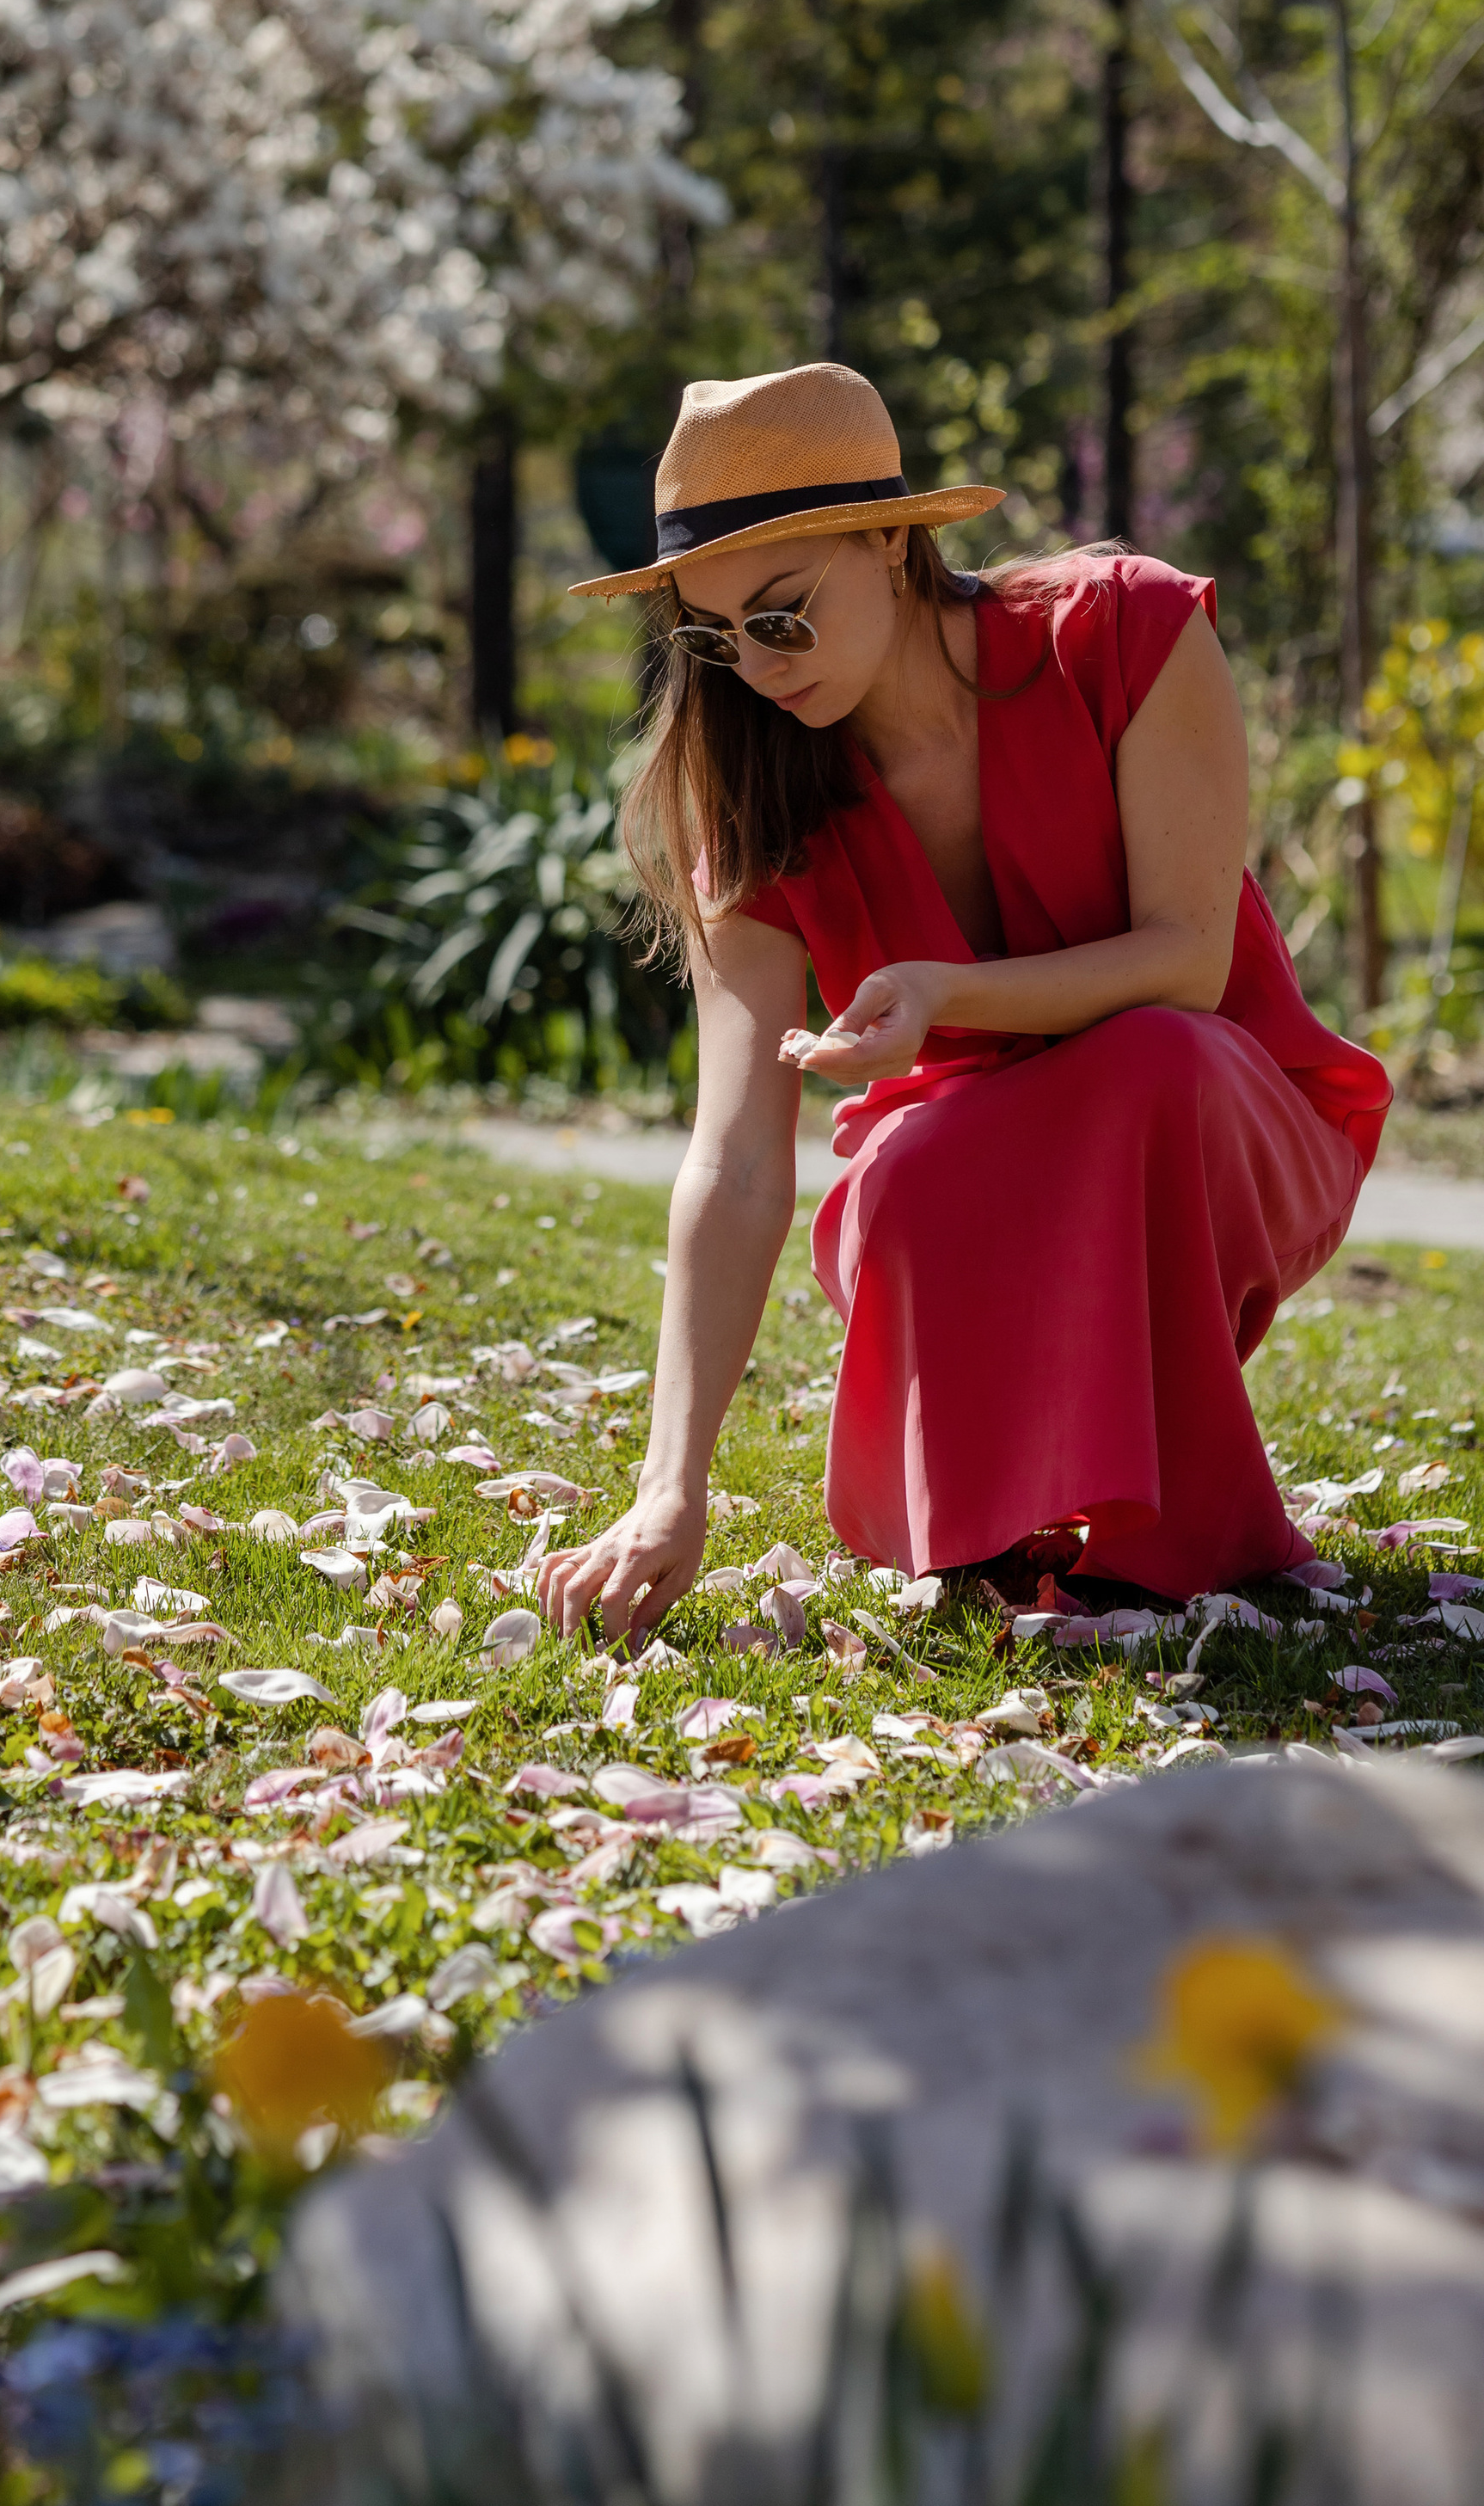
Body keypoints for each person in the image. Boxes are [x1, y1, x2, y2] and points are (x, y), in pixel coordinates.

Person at [534, 361, 1391, 1652]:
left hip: (1224, 1121)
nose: (754, 669)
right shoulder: (749, 789)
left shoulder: (1125, 631)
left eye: (781, 616)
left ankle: (1170, 1538)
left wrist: (945, 996)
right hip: (975, 1182)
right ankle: (1001, 1521)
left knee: (1152, 1062)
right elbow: (735, 1151)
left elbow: (1187, 964)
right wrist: (670, 1489)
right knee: (905, 1173)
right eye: (712, 638)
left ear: (891, 539)